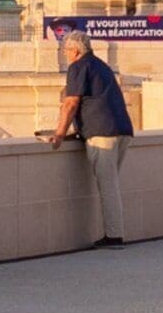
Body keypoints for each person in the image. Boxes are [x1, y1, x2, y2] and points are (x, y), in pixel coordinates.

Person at [48, 30, 133, 246]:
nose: (65, 54)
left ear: (76, 51)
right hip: (122, 130)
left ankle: (114, 236)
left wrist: (59, 134)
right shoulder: (101, 65)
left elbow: (71, 103)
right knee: (111, 183)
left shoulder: (78, 67)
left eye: (66, 50)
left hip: (102, 133)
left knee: (108, 185)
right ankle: (114, 233)